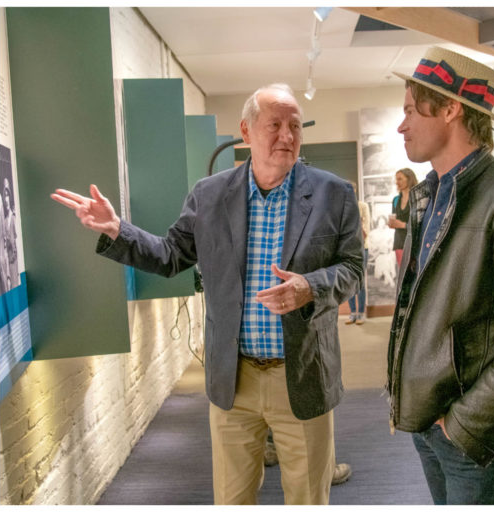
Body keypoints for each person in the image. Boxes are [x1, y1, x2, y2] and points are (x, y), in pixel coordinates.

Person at [52, 83, 362, 505]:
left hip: (303, 375)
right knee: (231, 499)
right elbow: (169, 255)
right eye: (274, 125)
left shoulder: (334, 193)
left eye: (294, 126)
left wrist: (310, 287)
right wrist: (116, 230)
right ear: (246, 131)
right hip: (234, 380)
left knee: (308, 498)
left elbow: (352, 268)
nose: (287, 136)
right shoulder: (210, 194)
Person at [387, 46, 494, 505]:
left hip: (470, 433)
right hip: (430, 422)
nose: (402, 125)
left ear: (452, 108)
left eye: (412, 110)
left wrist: (463, 422)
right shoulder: (427, 196)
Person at [346, 189, 370, 325]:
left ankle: (361, 313)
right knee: (349, 281)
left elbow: (366, 232)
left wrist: (358, 222)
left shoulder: (363, 206)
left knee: (359, 280)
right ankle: (353, 312)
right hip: (347, 249)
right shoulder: (343, 207)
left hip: (362, 248)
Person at [386, 168, 417, 267]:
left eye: (400, 179)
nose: (397, 182)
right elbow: (394, 221)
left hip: (414, 243)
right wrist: (391, 224)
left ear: (409, 179)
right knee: (403, 274)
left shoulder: (417, 198)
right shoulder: (395, 200)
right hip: (399, 243)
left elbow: (421, 224)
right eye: (396, 179)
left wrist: (403, 225)